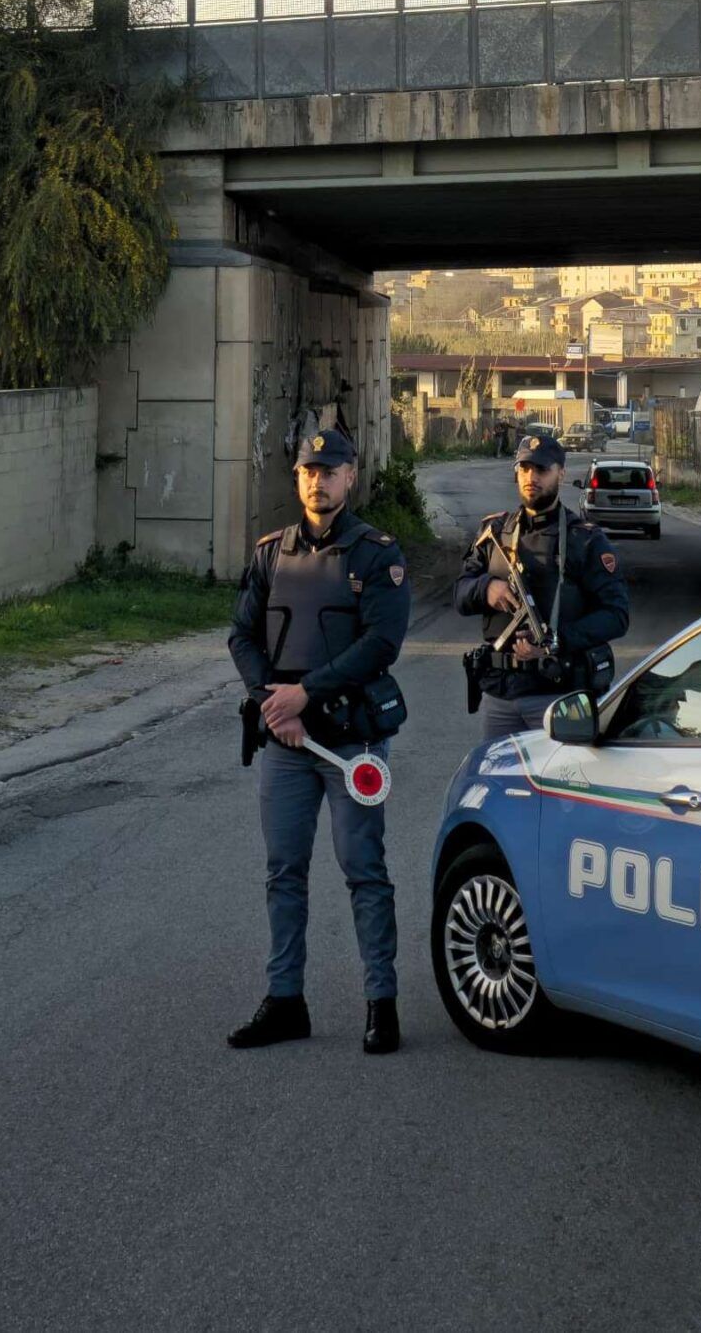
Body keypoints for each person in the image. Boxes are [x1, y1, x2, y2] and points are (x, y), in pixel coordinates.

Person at [225, 423, 413, 1056]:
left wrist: (304, 695)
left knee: (364, 870)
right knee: (284, 872)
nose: (318, 480)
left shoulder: (376, 554)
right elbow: (242, 636)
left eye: (330, 471)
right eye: (309, 470)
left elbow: (381, 644)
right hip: (286, 743)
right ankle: (285, 1001)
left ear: (350, 477)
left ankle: (381, 1003)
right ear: (297, 475)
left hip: (349, 743)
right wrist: (272, 702)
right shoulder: (270, 553)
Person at [455, 429, 630, 740]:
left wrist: (556, 641)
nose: (531, 477)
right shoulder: (495, 532)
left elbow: (616, 615)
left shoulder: (585, 540)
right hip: (501, 695)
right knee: (498, 772)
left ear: (561, 473)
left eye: (541, 469)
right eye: (524, 468)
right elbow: (460, 594)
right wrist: (487, 588)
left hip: (558, 696)